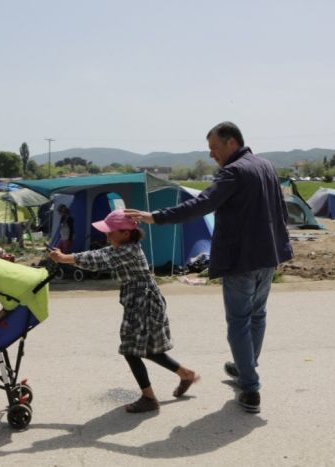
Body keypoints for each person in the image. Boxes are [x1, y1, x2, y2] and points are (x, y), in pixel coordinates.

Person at [125, 122, 293, 414]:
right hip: (268, 257)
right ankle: (245, 369)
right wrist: (281, 249)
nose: (213, 155)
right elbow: (280, 209)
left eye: (215, 148)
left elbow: (201, 204)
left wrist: (155, 217)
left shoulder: (234, 172)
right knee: (257, 316)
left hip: (241, 259)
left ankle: (251, 389)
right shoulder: (266, 166)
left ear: (231, 143)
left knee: (239, 322)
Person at [49, 209, 199, 413]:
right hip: (142, 299)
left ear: (126, 234)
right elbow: (101, 255)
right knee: (148, 349)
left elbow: (98, 258)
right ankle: (186, 374)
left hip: (142, 302)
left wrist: (65, 258)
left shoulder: (126, 251)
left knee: (131, 350)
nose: (107, 234)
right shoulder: (127, 247)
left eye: (111, 231)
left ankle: (149, 398)